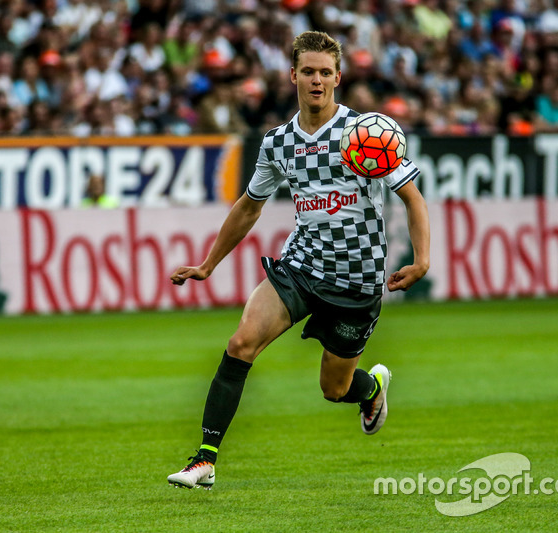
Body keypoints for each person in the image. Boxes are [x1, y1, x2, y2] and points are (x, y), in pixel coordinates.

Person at [166, 31, 430, 490]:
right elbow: (249, 205)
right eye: (307, 71)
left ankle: (371, 390)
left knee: (334, 389)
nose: (316, 80)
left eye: (325, 72)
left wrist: (422, 259)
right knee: (240, 343)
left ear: (338, 77)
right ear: (292, 75)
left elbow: (412, 197)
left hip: (356, 280)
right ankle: (204, 460)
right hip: (301, 267)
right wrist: (209, 264)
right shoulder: (278, 143)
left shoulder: (363, 133)